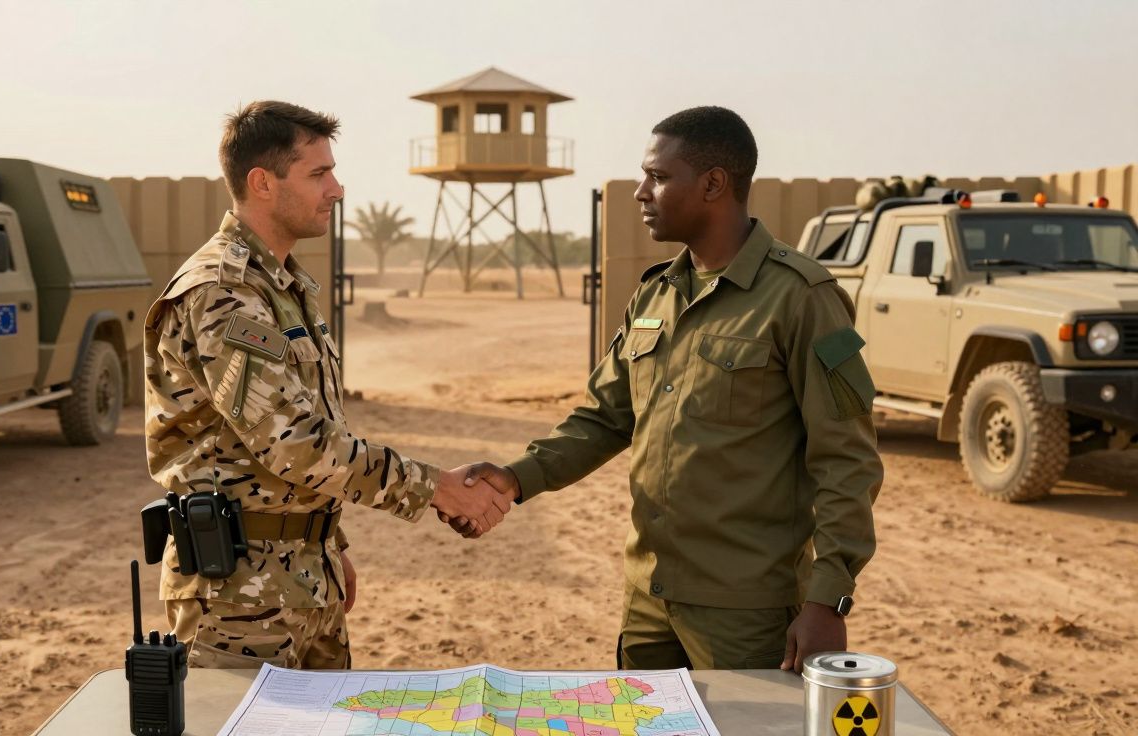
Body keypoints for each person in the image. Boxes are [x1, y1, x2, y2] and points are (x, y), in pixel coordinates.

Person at [459, 106, 883, 673]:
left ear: (713, 184)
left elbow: (847, 460)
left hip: (746, 612)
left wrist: (828, 599)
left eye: (658, 177)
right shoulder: (655, 296)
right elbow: (605, 418)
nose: (641, 192)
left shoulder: (801, 298)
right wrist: (516, 478)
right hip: (648, 600)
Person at [144, 100, 510, 670]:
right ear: (262, 183)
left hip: (306, 575)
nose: (337, 189)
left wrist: (327, 544)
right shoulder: (222, 292)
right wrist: (436, 487)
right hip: (238, 596)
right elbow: (294, 443)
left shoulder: (284, 286)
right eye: (319, 174)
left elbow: (320, 427)